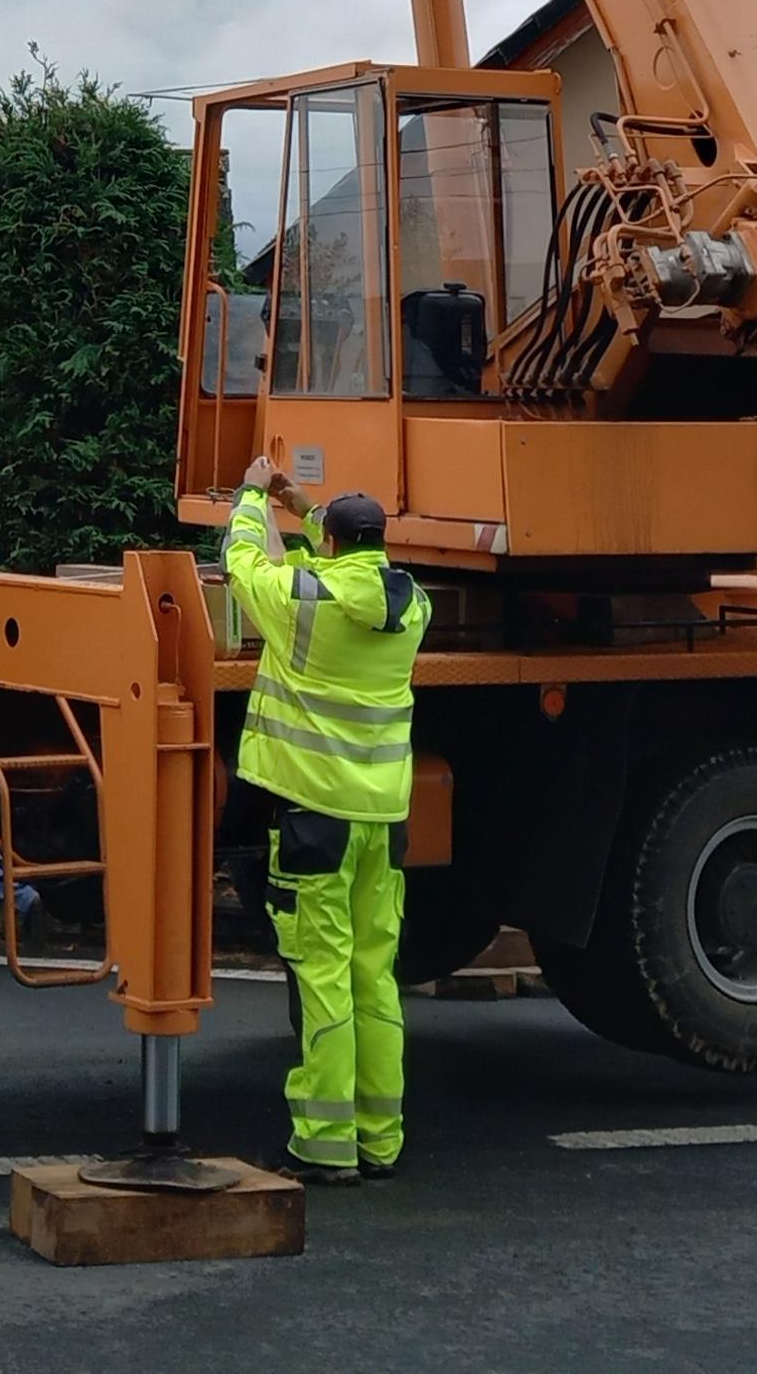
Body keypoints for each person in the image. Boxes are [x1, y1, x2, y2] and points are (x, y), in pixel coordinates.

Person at [222, 460, 431, 1183]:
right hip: (383, 819)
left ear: (333, 545)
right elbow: (349, 568)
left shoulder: (301, 601)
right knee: (376, 978)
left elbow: (241, 560)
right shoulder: (413, 606)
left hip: (317, 820)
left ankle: (324, 1142)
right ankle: (380, 1138)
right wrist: (307, 509)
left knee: (324, 979)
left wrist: (254, 495)